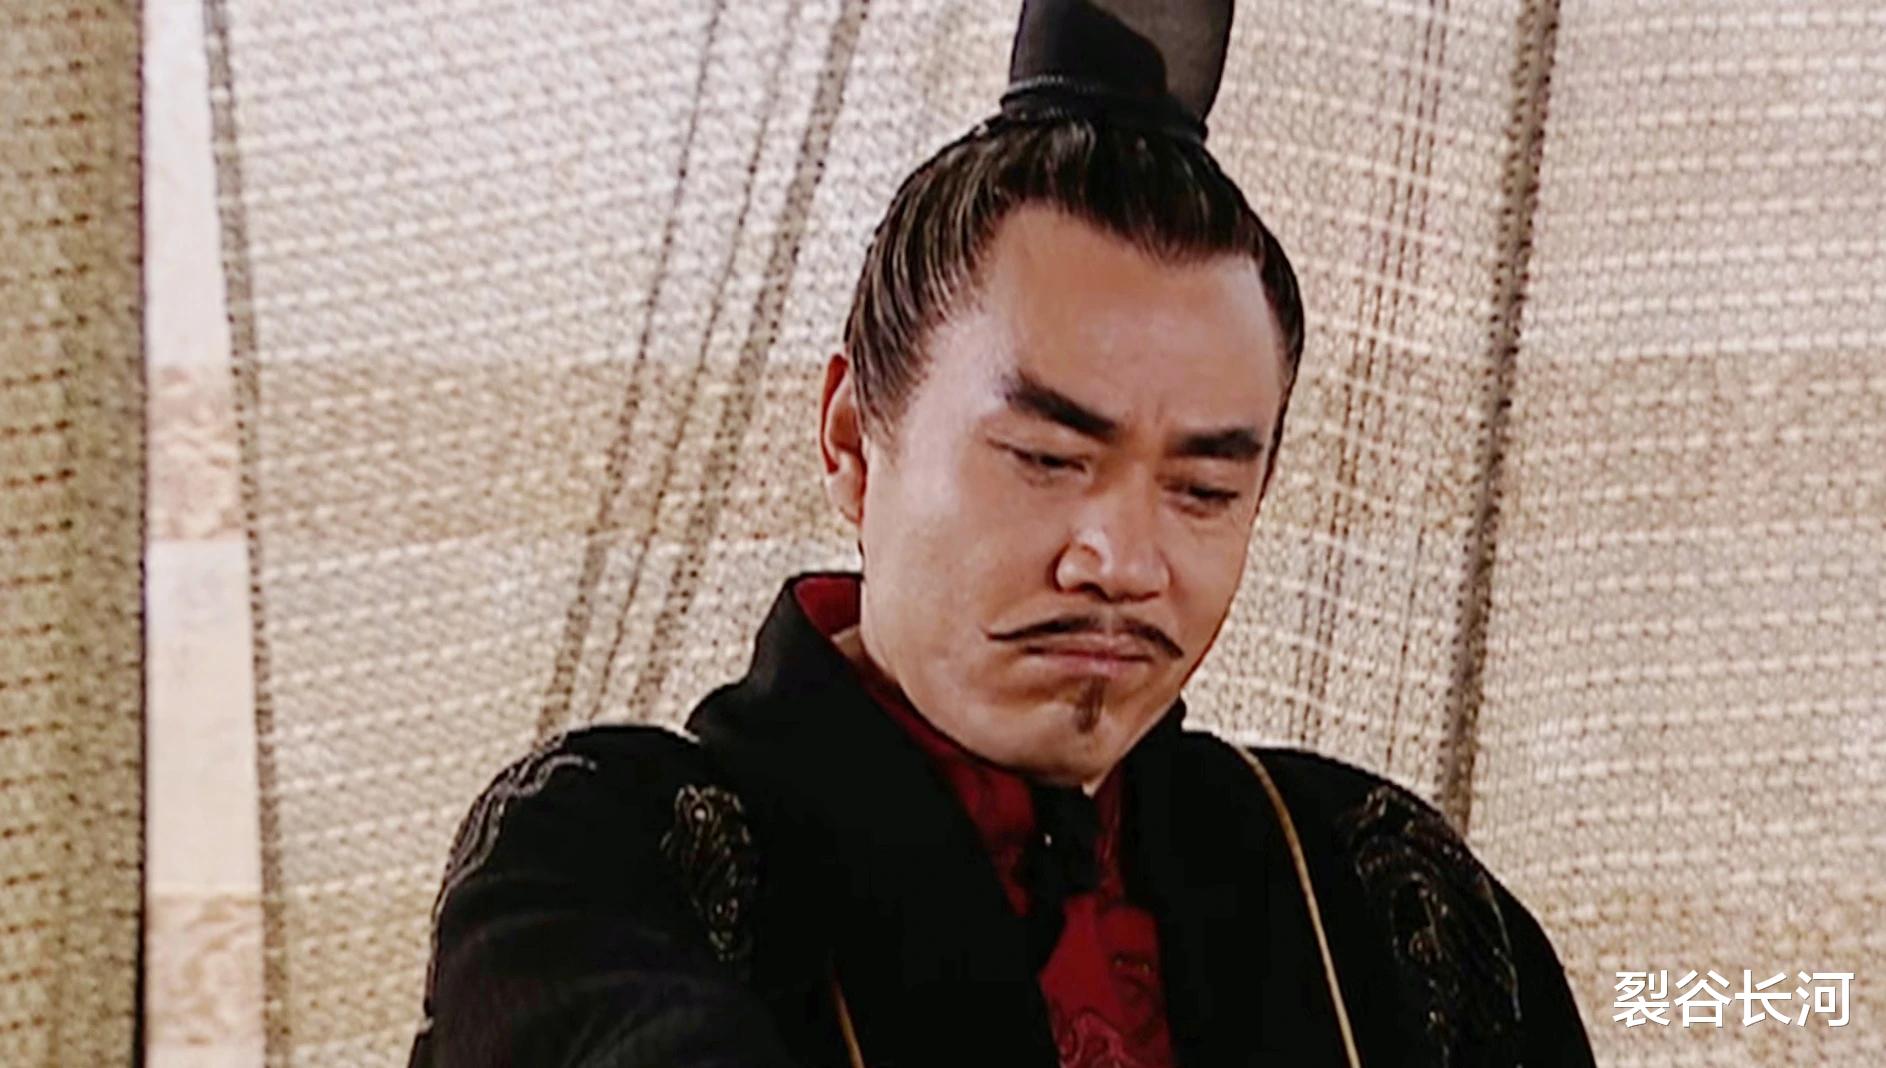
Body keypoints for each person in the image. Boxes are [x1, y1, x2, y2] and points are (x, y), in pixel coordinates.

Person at [409, 1, 1596, 1065]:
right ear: (850, 440)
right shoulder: (617, 857)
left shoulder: (1369, 886)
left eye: (1200, 489)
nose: (1119, 562)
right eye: (1046, 459)